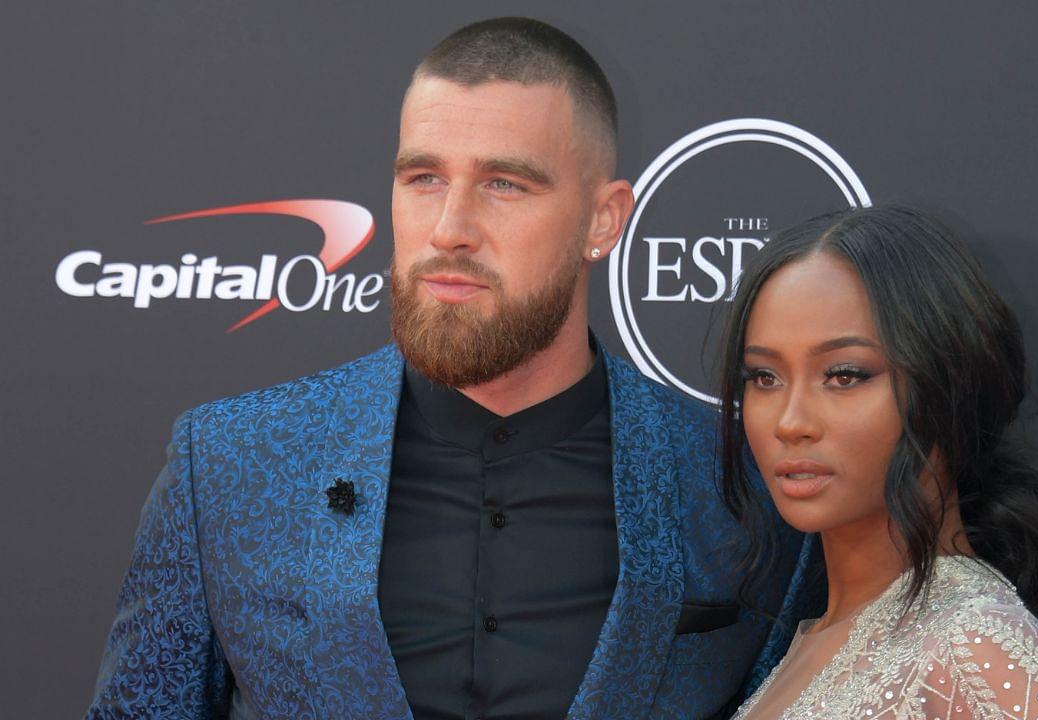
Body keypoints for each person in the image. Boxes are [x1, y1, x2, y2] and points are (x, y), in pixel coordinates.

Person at [86, 18, 815, 719]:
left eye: (505, 184)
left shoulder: (735, 482)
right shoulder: (224, 466)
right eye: (424, 178)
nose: (450, 229)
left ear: (604, 220)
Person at [715, 206, 1038, 719]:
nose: (790, 423)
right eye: (765, 377)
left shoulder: (974, 650)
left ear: (949, 385)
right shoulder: (817, 636)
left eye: (845, 375)